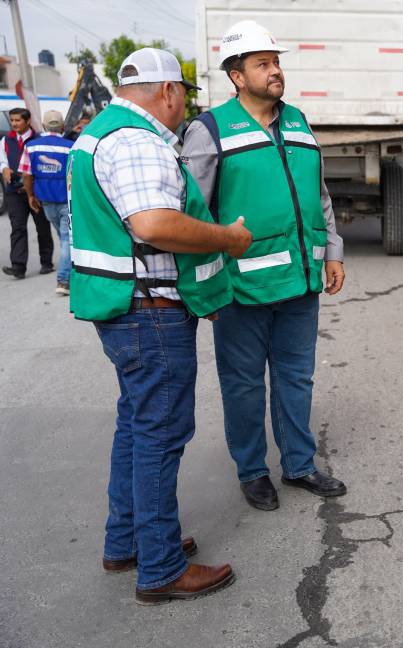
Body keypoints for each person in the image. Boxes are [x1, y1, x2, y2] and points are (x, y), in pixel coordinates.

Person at [69, 48, 251, 604]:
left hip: (124, 309)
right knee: (159, 437)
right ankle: (162, 567)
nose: (184, 109)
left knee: (136, 427)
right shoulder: (138, 140)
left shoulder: (99, 133)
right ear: (168, 92)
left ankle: (128, 543)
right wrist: (227, 237)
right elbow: (153, 223)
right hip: (150, 312)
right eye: (185, 97)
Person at [182, 20, 348, 512]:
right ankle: (252, 471)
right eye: (263, 64)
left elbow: (318, 194)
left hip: (300, 283)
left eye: (276, 62)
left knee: (297, 378)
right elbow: (193, 215)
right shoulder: (208, 131)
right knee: (243, 385)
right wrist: (204, 291)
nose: (275, 71)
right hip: (241, 291)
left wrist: (333, 251)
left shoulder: (298, 120)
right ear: (237, 76)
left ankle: (298, 465)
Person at [22, 110, 74, 295]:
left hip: (46, 200)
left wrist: (30, 196)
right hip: (66, 200)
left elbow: (27, 175)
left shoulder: (32, 146)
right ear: (62, 126)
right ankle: (65, 280)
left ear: (43, 126)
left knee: (65, 239)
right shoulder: (71, 146)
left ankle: (65, 277)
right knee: (67, 239)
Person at [2, 107, 54, 279]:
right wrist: (4, 169)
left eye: (18, 120)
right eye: (12, 120)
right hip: (14, 192)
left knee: (42, 227)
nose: (14, 123)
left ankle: (46, 262)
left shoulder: (39, 139)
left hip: (35, 190)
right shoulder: (5, 140)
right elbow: (2, 159)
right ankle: (18, 266)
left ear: (28, 121)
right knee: (17, 228)